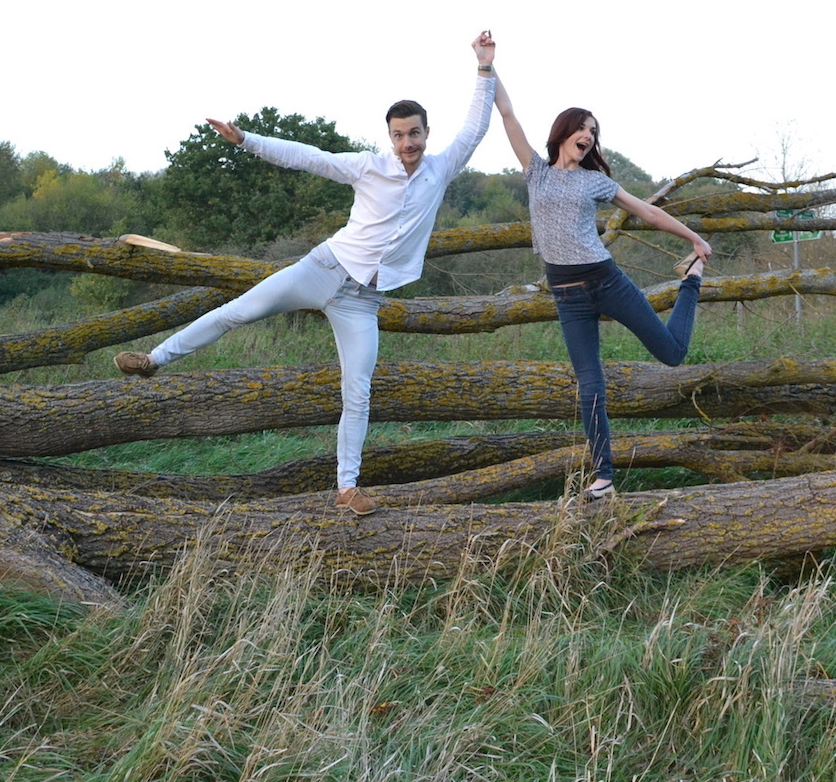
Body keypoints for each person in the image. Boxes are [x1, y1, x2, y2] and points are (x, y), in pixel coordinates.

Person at [114, 33, 499, 515]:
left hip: (363, 300)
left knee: (357, 390)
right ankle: (153, 359)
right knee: (238, 311)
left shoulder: (440, 169)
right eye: (399, 135)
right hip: (322, 268)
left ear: (426, 132)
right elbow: (308, 156)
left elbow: (477, 127)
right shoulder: (368, 167)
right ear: (389, 137)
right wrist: (246, 140)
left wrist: (484, 68)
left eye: (414, 134)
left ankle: (346, 488)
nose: (408, 144)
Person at [483, 33, 711, 500]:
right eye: (582, 127)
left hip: (606, 282)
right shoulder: (535, 171)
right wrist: (487, 66)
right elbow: (507, 114)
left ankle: (691, 282)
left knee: (671, 354)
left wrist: (692, 238)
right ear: (564, 132)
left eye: (594, 131)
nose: (589, 135)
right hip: (567, 297)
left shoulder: (596, 182)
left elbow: (646, 211)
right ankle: (603, 476)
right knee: (590, 387)